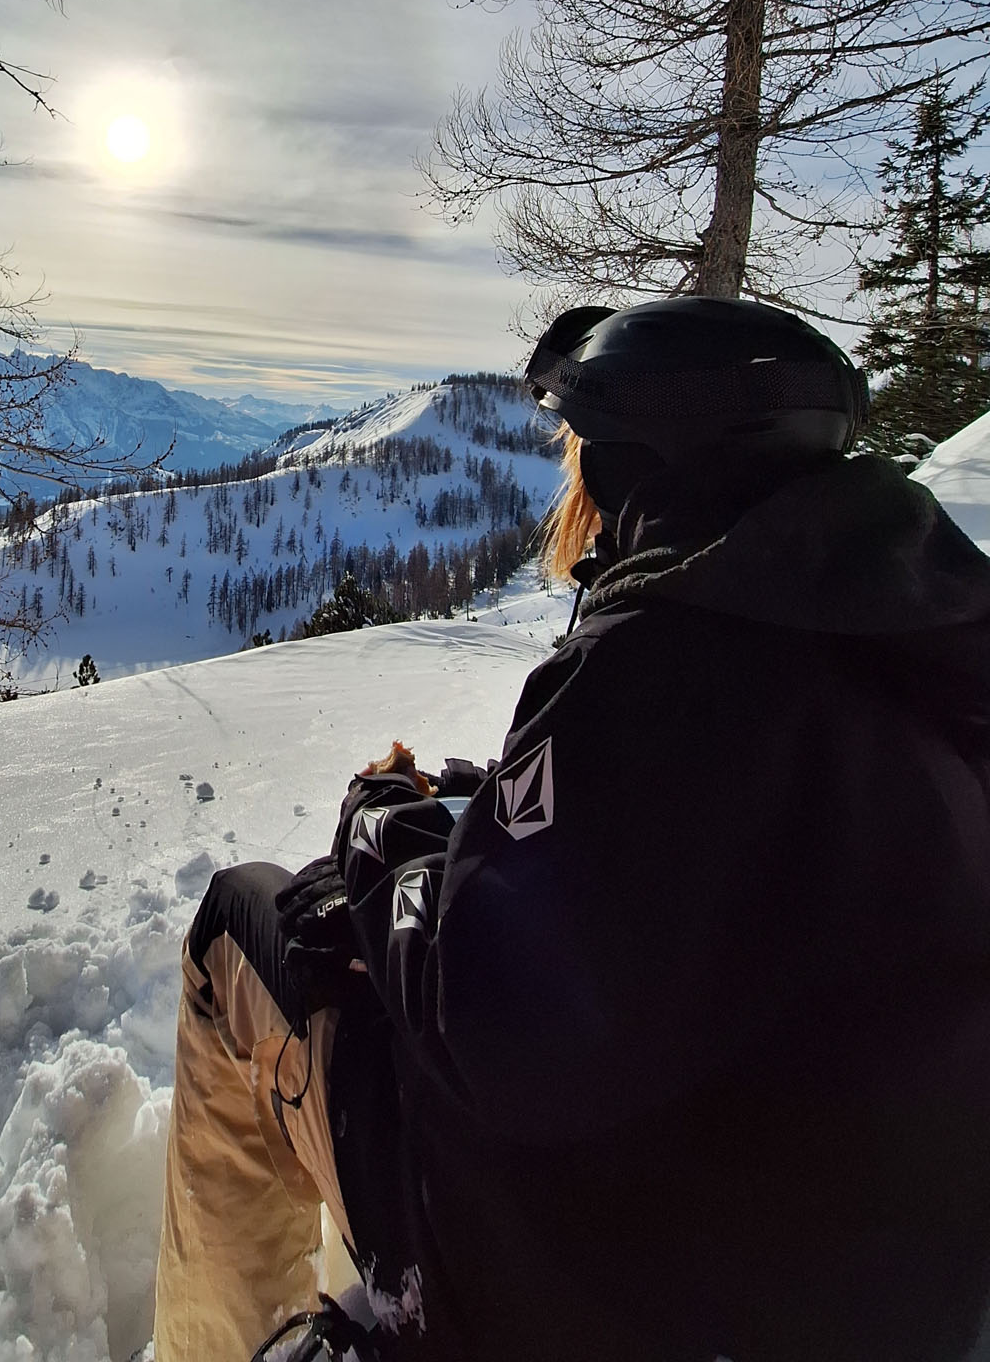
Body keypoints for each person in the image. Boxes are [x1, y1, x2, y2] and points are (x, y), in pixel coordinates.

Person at [153, 295, 990, 1362]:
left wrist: (382, 830)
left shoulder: (657, 661)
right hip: (854, 1280)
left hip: (581, 1278)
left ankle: (220, 1339)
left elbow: (483, 1019)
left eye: (582, 447)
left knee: (239, 925)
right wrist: (504, 809)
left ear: (631, 471)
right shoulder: (925, 659)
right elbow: (694, 862)